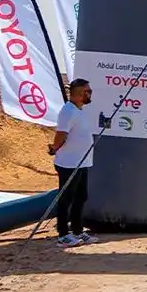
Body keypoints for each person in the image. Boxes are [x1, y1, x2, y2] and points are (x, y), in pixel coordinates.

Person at [49, 78, 98, 248]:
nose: (90, 94)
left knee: (81, 197)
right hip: (69, 163)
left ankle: (77, 230)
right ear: (78, 93)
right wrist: (55, 147)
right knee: (66, 199)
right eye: (88, 91)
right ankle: (63, 234)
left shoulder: (80, 110)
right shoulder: (68, 111)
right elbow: (61, 134)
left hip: (82, 162)